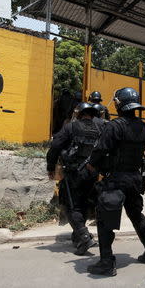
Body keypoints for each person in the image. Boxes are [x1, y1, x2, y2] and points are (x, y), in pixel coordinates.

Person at [85, 87, 145, 276]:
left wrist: (92, 165)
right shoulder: (144, 127)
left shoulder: (114, 126)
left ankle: (106, 262)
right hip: (134, 178)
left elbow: (100, 149)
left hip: (116, 179)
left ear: (119, 105)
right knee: (136, 214)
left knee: (105, 218)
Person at [46, 102, 104, 256]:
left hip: (74, 173)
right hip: (92, 173)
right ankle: (78, 236)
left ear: (79, 114)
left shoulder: (71, 127)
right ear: (92, 115)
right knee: (84, 204)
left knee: (70, 205)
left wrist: (51, 167)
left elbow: (55, 147)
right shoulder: (101, 128)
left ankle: (84, 237)